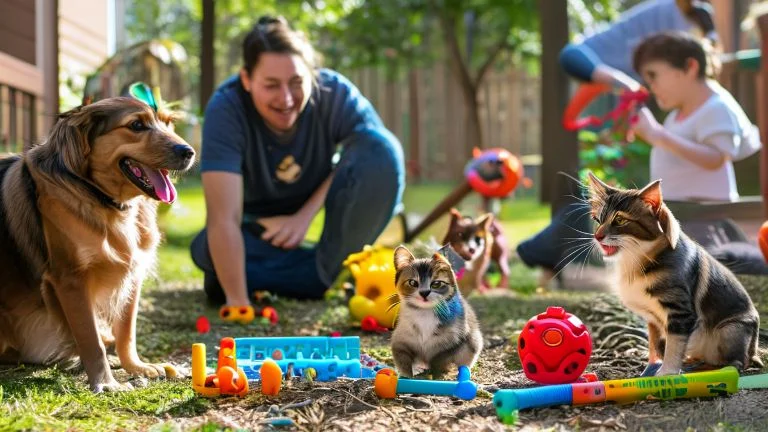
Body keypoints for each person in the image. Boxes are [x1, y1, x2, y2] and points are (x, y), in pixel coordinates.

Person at [190, 16, 405, 307]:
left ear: (312, 75)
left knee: (382, 146)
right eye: (271, 85)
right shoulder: (225, 108)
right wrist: (237, 300)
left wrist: (303, 216)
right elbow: (223, 219)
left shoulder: (334, 92)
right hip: (257, 229)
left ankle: (322, 270)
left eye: (296, 83)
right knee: (207, 248)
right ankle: (311, 276)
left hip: (314, 219)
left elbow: (375, 157)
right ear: (246, 80)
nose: (287, 99)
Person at [516, 0, 720, 278]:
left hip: (680, 201)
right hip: (606, 94)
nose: (652, 84)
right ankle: (550, 252)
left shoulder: (703, 99)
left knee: (604, 197)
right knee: (594, 192)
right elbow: (571, 56)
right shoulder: (670, 19)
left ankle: (545, 251)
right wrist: (623, 85)